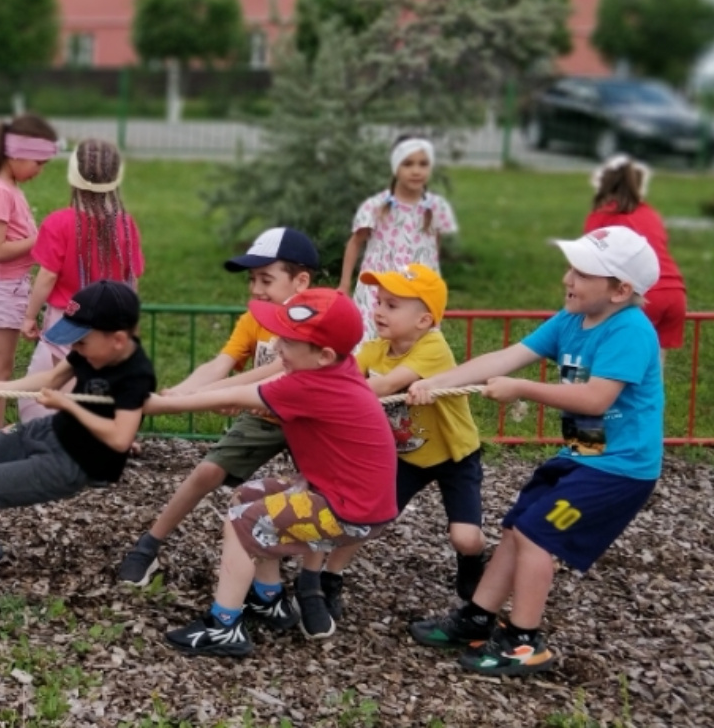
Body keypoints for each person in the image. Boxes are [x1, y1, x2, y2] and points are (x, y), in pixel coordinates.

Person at [407, 227, 662, 677]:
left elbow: (596, 399)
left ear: (621, 290)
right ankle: (477, 618)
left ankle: (525, 640)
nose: (569, 278)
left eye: (584, 273)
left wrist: (522, 389)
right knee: (515, 529)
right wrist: (437, 382)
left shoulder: (630, 331)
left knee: (536, 535)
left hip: (619, 471)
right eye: (572, 267)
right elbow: (506, 357)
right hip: (583, 456)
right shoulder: (569, 320)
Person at [147, 289, 397, 658]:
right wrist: (189, 395)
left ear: (323, 354)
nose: (277, 345)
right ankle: (268, 598)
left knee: (242, 522)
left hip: (348, 512)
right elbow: (249, 395)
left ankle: (224, 626)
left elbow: (244, 395)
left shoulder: (310, 383)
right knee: (247, 497)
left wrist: (160, 406)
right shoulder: (332, 371)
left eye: (289, 341)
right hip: (346, 499)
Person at [0, 281, 156, 588]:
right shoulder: (88, 351)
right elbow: (50, 378)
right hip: (52, 430)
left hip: (76, 462)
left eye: (81, 342)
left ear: (117, 340)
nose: (75, 349)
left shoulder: (136, 376)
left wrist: (67, 404)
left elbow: (120, 439)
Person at [115, 227, 320, 587]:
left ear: (301, 281)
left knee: (318, 494)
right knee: (206, 472)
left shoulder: (319, 320)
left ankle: (313, 583)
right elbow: (220, 364)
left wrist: (210, 396)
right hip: (265, 417)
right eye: (252, 279)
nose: (256, 289)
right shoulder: (255, 318)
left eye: (266, 280)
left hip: (314, 422)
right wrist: (177, 393)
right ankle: (148, 545)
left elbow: (273, 373)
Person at [296, 264, 487, 639]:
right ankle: (330, 579)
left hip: (455, 455)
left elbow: (383, 388)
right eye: (379, 301)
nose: (379, 310)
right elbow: (344, 373)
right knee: (364, 521)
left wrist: (333, 398)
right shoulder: (374, 350)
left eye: (393, 305)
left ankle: (473, 562)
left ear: (424, 320)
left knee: (465, 536)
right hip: (404, 459)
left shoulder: (433, 347)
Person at [18, 138, 143, 424]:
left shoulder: (59, 222)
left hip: (68, 319)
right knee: (97, 385)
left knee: (50, 390)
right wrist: (130, 324)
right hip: (112, 322)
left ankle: (54, 443)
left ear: (73, 176)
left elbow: (47, 275)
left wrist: (28, 317)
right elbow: (131, 278)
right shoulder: (125, 224)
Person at [0, 114, 59, 434]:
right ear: (16, 155)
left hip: (7, 287)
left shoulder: (9, 189)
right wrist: (41, 239)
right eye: (38, 162)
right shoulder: (0, 192)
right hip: (2, 288)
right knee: (0, 369)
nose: (40, 170)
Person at [339, 136, 458, 341]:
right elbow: (355, 242)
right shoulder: (376, 206)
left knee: (417, 334)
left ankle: (411, 371)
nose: (416, 170)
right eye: (408, 163)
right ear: (396, 167)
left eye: (423, 164)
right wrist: (344, 284)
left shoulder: (436, 206)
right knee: (371, 334)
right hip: (379, 284)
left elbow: (433, 244)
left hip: (418, 284)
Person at [585, 155, 685, 365]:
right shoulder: (651, 214)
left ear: (602, 184)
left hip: (642, 295)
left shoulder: (602, 216)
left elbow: (589, 262)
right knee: (652, 370)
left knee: (612, 364)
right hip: (674, 294)